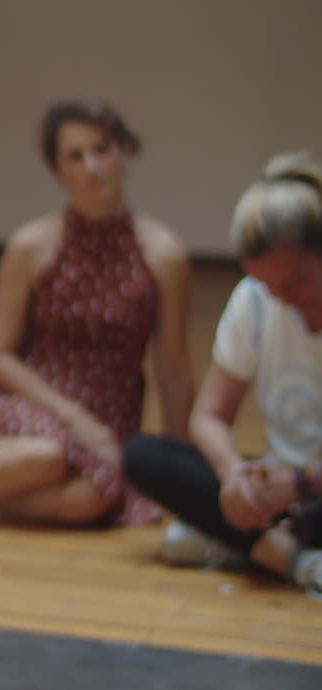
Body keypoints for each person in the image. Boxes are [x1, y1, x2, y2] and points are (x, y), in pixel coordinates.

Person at [0, 99, 193, 526]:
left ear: (125, 152)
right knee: (46, 455)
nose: (91, 166)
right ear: (58, 171)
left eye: (101, 149)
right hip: (32, 398)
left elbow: (174, 369)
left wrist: (180, 473)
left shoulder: (165, 253)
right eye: (75, 156)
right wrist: (73, 418)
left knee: (92, 501)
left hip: (110, 414)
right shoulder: (31, 245)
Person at [124, 151, 322, 594]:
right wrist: (234, 475)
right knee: (144, 455)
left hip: (307, 487)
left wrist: (302, 482)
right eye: (268, 284)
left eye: (295, 281)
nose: (281, 297)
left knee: (186, 537)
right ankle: (293, 558)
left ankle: (250, 547)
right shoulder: (255, 300)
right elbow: (209, 416)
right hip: (279, 490)